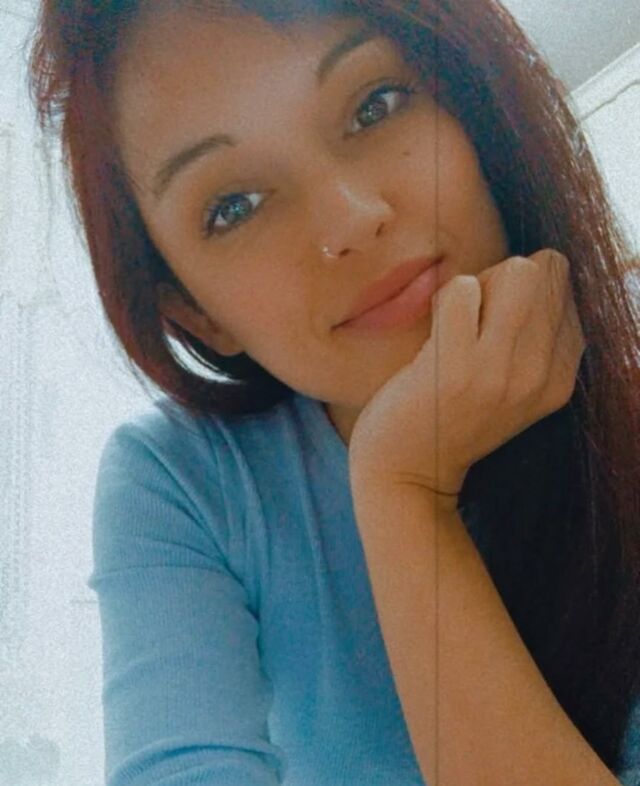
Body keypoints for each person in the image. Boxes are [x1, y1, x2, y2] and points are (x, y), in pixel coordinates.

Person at [29, 1, 640, 784]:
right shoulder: (186, 481)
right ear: (197, 313)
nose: (351, 219)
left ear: (472, 99)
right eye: (234, 207)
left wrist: (405, 492)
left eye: (375, 105)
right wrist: (403, 489)